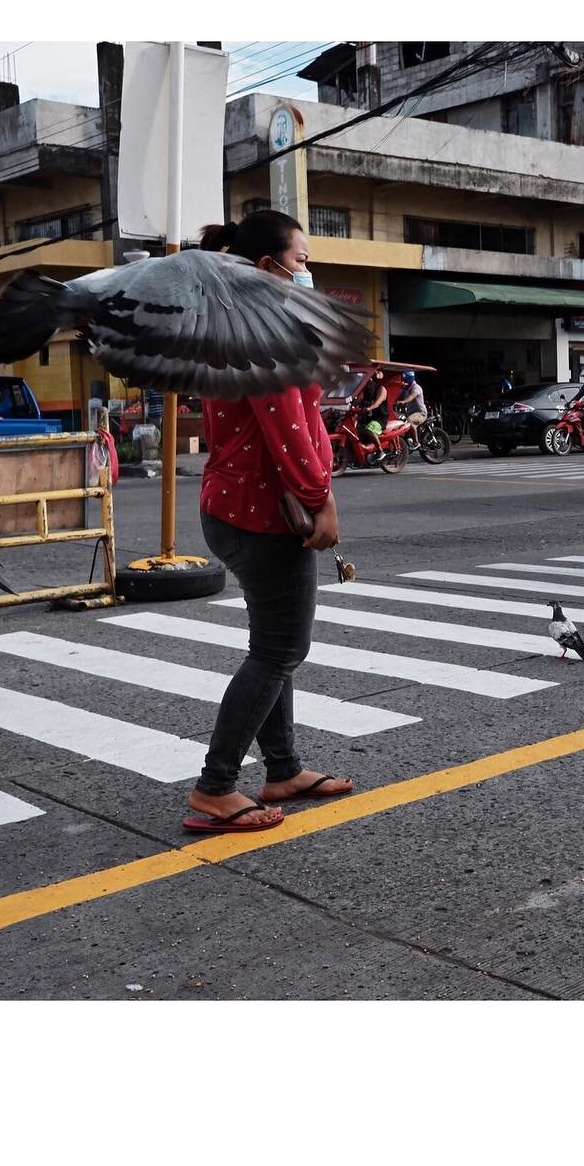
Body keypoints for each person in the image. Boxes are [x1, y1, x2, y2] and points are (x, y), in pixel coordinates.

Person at [186, 210, 354, 833]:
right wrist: (322, 500)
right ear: (267, 267)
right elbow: (291, 433)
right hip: (262, 514)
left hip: (231, 507)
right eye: (303, 260)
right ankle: (215, 787)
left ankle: (281, 768)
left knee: (272, 648)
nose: (308, 270)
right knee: (282, 648)